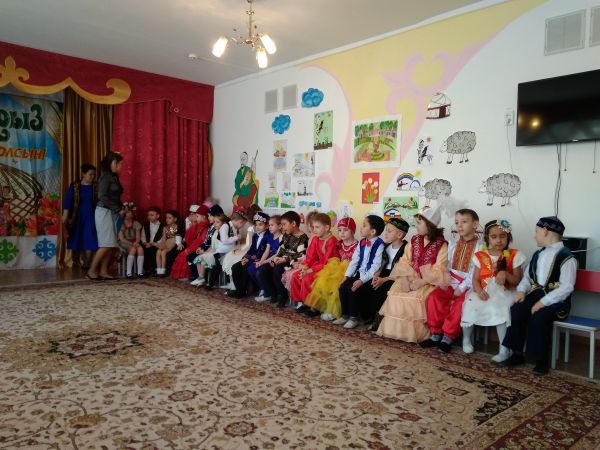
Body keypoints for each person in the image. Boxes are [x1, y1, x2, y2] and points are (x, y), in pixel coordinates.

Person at [501, 216, 576, 375]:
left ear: (546, 231)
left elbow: (567, 287)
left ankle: (541, 360)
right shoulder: (538, 254)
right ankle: (517, 353)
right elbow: (527, 278)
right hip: (536, 295)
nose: (534, 235)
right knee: (517, 310)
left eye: (537, 231)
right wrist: (521, 291)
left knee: (540, 317)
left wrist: (543, 302)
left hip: (556, 300)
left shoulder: (567, 257)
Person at [377, 207, 449, 342]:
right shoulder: (414, 240)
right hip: (409, 276)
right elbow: (404, 260)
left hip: (428, 281)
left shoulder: (441, 244)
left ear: (430, 225)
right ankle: (394, 331)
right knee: (396, 293)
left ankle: (413, 334)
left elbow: (439, 268)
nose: (416, 226)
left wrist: (420, 282)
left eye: (419, 223)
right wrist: (404, 280)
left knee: (417, 298)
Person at [460, 219, 525, 361]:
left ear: (508, 237)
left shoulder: (515, 255)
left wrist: (506, 274)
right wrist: (479, 291)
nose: (499, 240)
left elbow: (517, 281)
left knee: (502, 309)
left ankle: (504, 349)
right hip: (483, 291)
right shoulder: (481, 255)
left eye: (502, 236)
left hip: (505, 292)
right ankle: (466, 339)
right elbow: (475, 279)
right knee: (470, 305)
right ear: (487, 238)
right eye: (494, 237)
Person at [420, 209, 482, 353]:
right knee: (434, 298)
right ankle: (436, 334)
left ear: (475, 224)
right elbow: (447, 265)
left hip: (468, 286)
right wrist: (444, 279)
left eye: (464, 222)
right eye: (457, 222)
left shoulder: (481, 247)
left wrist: (462, 287)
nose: (459, 225)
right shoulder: (453, 244)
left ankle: (448, 337)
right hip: (450, 282)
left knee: (460, 305)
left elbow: (475, 272)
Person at [334, 215, 386, 329]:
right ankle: (345, 315)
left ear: (372, 231)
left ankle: (354, 317)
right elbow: (354, 261)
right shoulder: (362, 242)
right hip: (358, 272)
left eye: (364, 226)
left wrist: (361, 280)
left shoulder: (379, 244)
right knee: (343, 286)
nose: (361, 228)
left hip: (368, 276)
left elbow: (375, 267)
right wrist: (347, 276)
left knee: (353, 288)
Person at [304, 217, 358, 321]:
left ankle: (333, 311)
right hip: (336, 268)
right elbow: (335, 258)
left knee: (336, 285)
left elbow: (357, 262)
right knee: (322, 280)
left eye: (345, 230)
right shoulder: (339, 244)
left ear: (352, 231)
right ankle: (318, 307)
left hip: (350, 270)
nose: (342, 233)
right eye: (340, 230)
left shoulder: (357, 245)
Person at [365, 217, 409, 331]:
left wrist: (384, 279)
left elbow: (402, 270)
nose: (386, 234)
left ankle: (379, 319)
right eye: (386, 231)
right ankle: (370, 315)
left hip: (396, 277)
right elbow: (381, 264)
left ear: (399, 235)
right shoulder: (386, 246)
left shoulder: (406, 249)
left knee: (381, 290)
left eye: (389, 231)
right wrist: (376, 275)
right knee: (368, 285)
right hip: (383, 273)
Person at [259, 211, 309, 308]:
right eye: (281, 225)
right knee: (264, 269)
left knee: (277, 270)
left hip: (293, 262)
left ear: (293, 223)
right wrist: (275, 259)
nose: (282, 227)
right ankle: (273, 293)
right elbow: (282, 249)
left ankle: (282, 295)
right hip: (282, 260)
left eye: (284, 224)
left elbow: (301, 255)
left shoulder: (303, 238)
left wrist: (285, 259)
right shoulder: (286, 234)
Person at [291, 213, 339, 314]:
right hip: (318, 265)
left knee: (307, 278)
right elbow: (310, 256)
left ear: (326, 227)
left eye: (317, 227)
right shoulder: (316, 239)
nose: (314, 230)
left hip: (328, 268)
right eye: (313, 227)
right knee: (296, 276)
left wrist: (310, 270)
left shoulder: (332, 241)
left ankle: (314, 306)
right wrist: (304, 266)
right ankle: (304, 302)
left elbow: (327, 262)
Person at [87, 152, 124, 281]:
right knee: (106, 243)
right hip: (103, 211)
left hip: (112, 211)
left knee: (111, 243)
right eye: (119, 163)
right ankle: (91, 270)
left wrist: (121, 207)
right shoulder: (105, 177)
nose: (121, 166)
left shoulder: (114, 176)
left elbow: (115, 196)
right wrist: (117, 209)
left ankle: (103, 271)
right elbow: (102, 196)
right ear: (113, 163)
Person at [227, 211, 272, 299]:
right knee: (235, 267)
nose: (257, 227)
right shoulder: (255, 236)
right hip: (251, 258)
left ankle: (241, 292)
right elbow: (251, 249)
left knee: (245, 267)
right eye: (256, 224)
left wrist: (250, 259)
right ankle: (239, 289)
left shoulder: (268, 236)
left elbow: (265, 252)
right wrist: (245, 258)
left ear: (267, 226)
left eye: (260, 224)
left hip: (261, 260)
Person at [62, 163, 98, 269]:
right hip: (77, 217)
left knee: (90, 239)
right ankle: (81, 262)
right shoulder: (75, 186)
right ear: (83, 174)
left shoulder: (96, 187)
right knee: (79, 239)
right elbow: (68, 201)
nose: (92, 177)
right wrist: (65, 216)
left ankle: (87, 264)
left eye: (94, 175)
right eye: (90, 174)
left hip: (91, 217)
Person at [191, 213, 237, 288]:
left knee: (203, 259)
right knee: (199, 258)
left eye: (217, 222)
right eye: (214, 222)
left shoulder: (224, 232)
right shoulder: (215, 232)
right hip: (214, 251)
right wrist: (205, 252)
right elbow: (212, 245)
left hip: (217, 252)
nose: (215, 224)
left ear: (223, 224)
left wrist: (207, 252)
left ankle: (203, 279)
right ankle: (201, 277)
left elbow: (220, 246)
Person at [221, 207, 256, 289]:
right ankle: (232, 283)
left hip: (249, 250)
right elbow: (225, 240)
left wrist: (241, 249)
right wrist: (240, 245)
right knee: (231, 257)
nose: (244, 226)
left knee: (233, 259)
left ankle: (235, 284)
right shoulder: (227, 226)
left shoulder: (251, 228)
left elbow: (249, 244)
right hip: (229, 248)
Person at [170, 205, 209, 280]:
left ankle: (190, 275)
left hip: (199, 247)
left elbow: (200, 240)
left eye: (197, 216)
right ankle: (189, 275)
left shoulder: (204, 227)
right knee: (183, 254)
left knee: (186, 255)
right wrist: (193, 225)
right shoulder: (197, 225)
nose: (195, 218)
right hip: (193, 246)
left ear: (204, 217)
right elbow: (189, 238)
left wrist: (190, 249)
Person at [187, 205, 222, 283]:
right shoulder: (211, 227)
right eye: (208, 215)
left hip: (213, 250)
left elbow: (213, 244)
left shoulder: (218, 228)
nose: (208, 217)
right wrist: (201, 247)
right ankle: (198, 276)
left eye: (210, 215)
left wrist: (204, 250)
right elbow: (206, 240)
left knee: (199, 258)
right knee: (190, 256)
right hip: (208, 248)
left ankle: (201, 277)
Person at [254, 215, 283, 302]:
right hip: (268, 260)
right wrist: (261, 261)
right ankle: (268, 292)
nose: (269, 227)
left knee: (262, 272)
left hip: (276, 259)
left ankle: (269, 294)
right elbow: (267, 251)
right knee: (258, 269)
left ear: (280, 226)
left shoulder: (282, 237)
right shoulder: (270, 236)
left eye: (272, 225)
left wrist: (264, 262)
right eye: (269, 225)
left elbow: (277, 254)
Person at [118, 204, 144, 279]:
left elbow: (138, 237)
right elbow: (121, 238)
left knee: (140, 249)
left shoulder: (136, 224)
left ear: (133, 214)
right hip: (124, 242)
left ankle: (140, 272)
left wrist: (136, 242)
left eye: (129, 212)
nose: (127, 213)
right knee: (133, 249)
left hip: (134, 241)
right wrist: (131, 244)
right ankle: (128, 272)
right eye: (126, 212)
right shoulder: (121, 223)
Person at [154, 210, 182, 277]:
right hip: (167, 242)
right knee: (158, 252)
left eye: (169, 218)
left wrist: (179, 243)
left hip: (173, 241)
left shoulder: (177, 226)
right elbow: (164, 238)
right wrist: (162, 245)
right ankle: (158, 270)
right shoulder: (165, 228)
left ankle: (163, 271)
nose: (167, 219)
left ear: (175, 219)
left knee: (163, 252)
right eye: (166, 218)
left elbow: (178, 236)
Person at [141, 206, 163, 276]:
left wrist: (153, 243)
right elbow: (143, 236)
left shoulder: (162, 225)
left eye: (152, 215)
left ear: (158, 216)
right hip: (147, 244)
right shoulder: (146, 225)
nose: (149, 217)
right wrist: (145, 243)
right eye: (148, 215)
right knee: (145, 250)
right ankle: (146, 269)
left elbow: (163, 237)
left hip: (157, 244)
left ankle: (154, 269)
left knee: (153, 250)